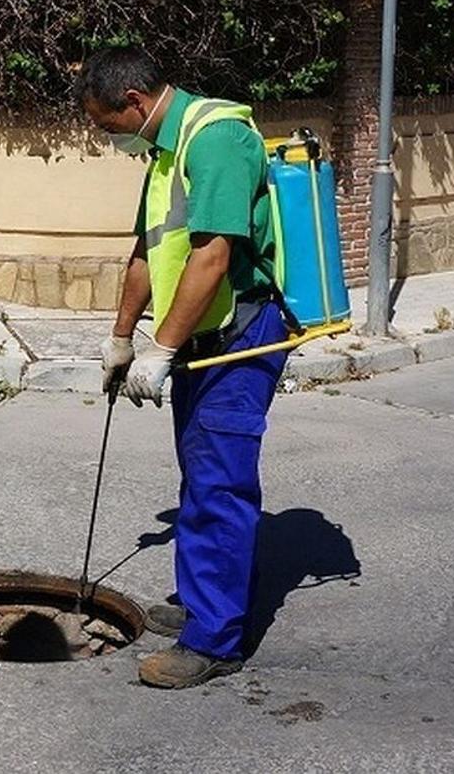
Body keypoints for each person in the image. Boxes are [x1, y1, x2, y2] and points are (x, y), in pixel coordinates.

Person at [76, 48, 289, 689]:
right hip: (198, 335)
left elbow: (212, 257)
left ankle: (216, 640)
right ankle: (203, 602)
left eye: (108, 127)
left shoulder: (219, 138)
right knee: (198, 474)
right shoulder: (166, 151)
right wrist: (120, 338)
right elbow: (149, 248)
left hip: (239, 336)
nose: (110, 139)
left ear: (135, 102)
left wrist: (161, 350)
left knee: (219, 484)